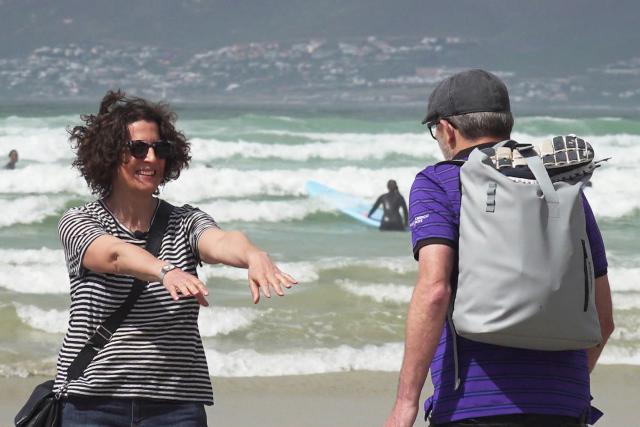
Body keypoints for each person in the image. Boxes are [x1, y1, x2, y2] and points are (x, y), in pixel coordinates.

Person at [53, 90, 297, 426]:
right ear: (110, 153)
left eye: (160, 149)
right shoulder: (80, 220)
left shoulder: (185, 221)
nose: (151, 158)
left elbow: (221, 241)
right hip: (93, 402)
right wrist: (165, 271)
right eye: (138, 149)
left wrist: (253, 255)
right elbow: (112, 254)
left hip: (176, 405)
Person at [385, 69, 614, 427]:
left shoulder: (439, 181)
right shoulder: (562, 188)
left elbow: (434, 290)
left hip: (472, 404)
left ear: (446, 129)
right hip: (565, 405)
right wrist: (564, 390)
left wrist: (404, 403)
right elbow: (603, 317)